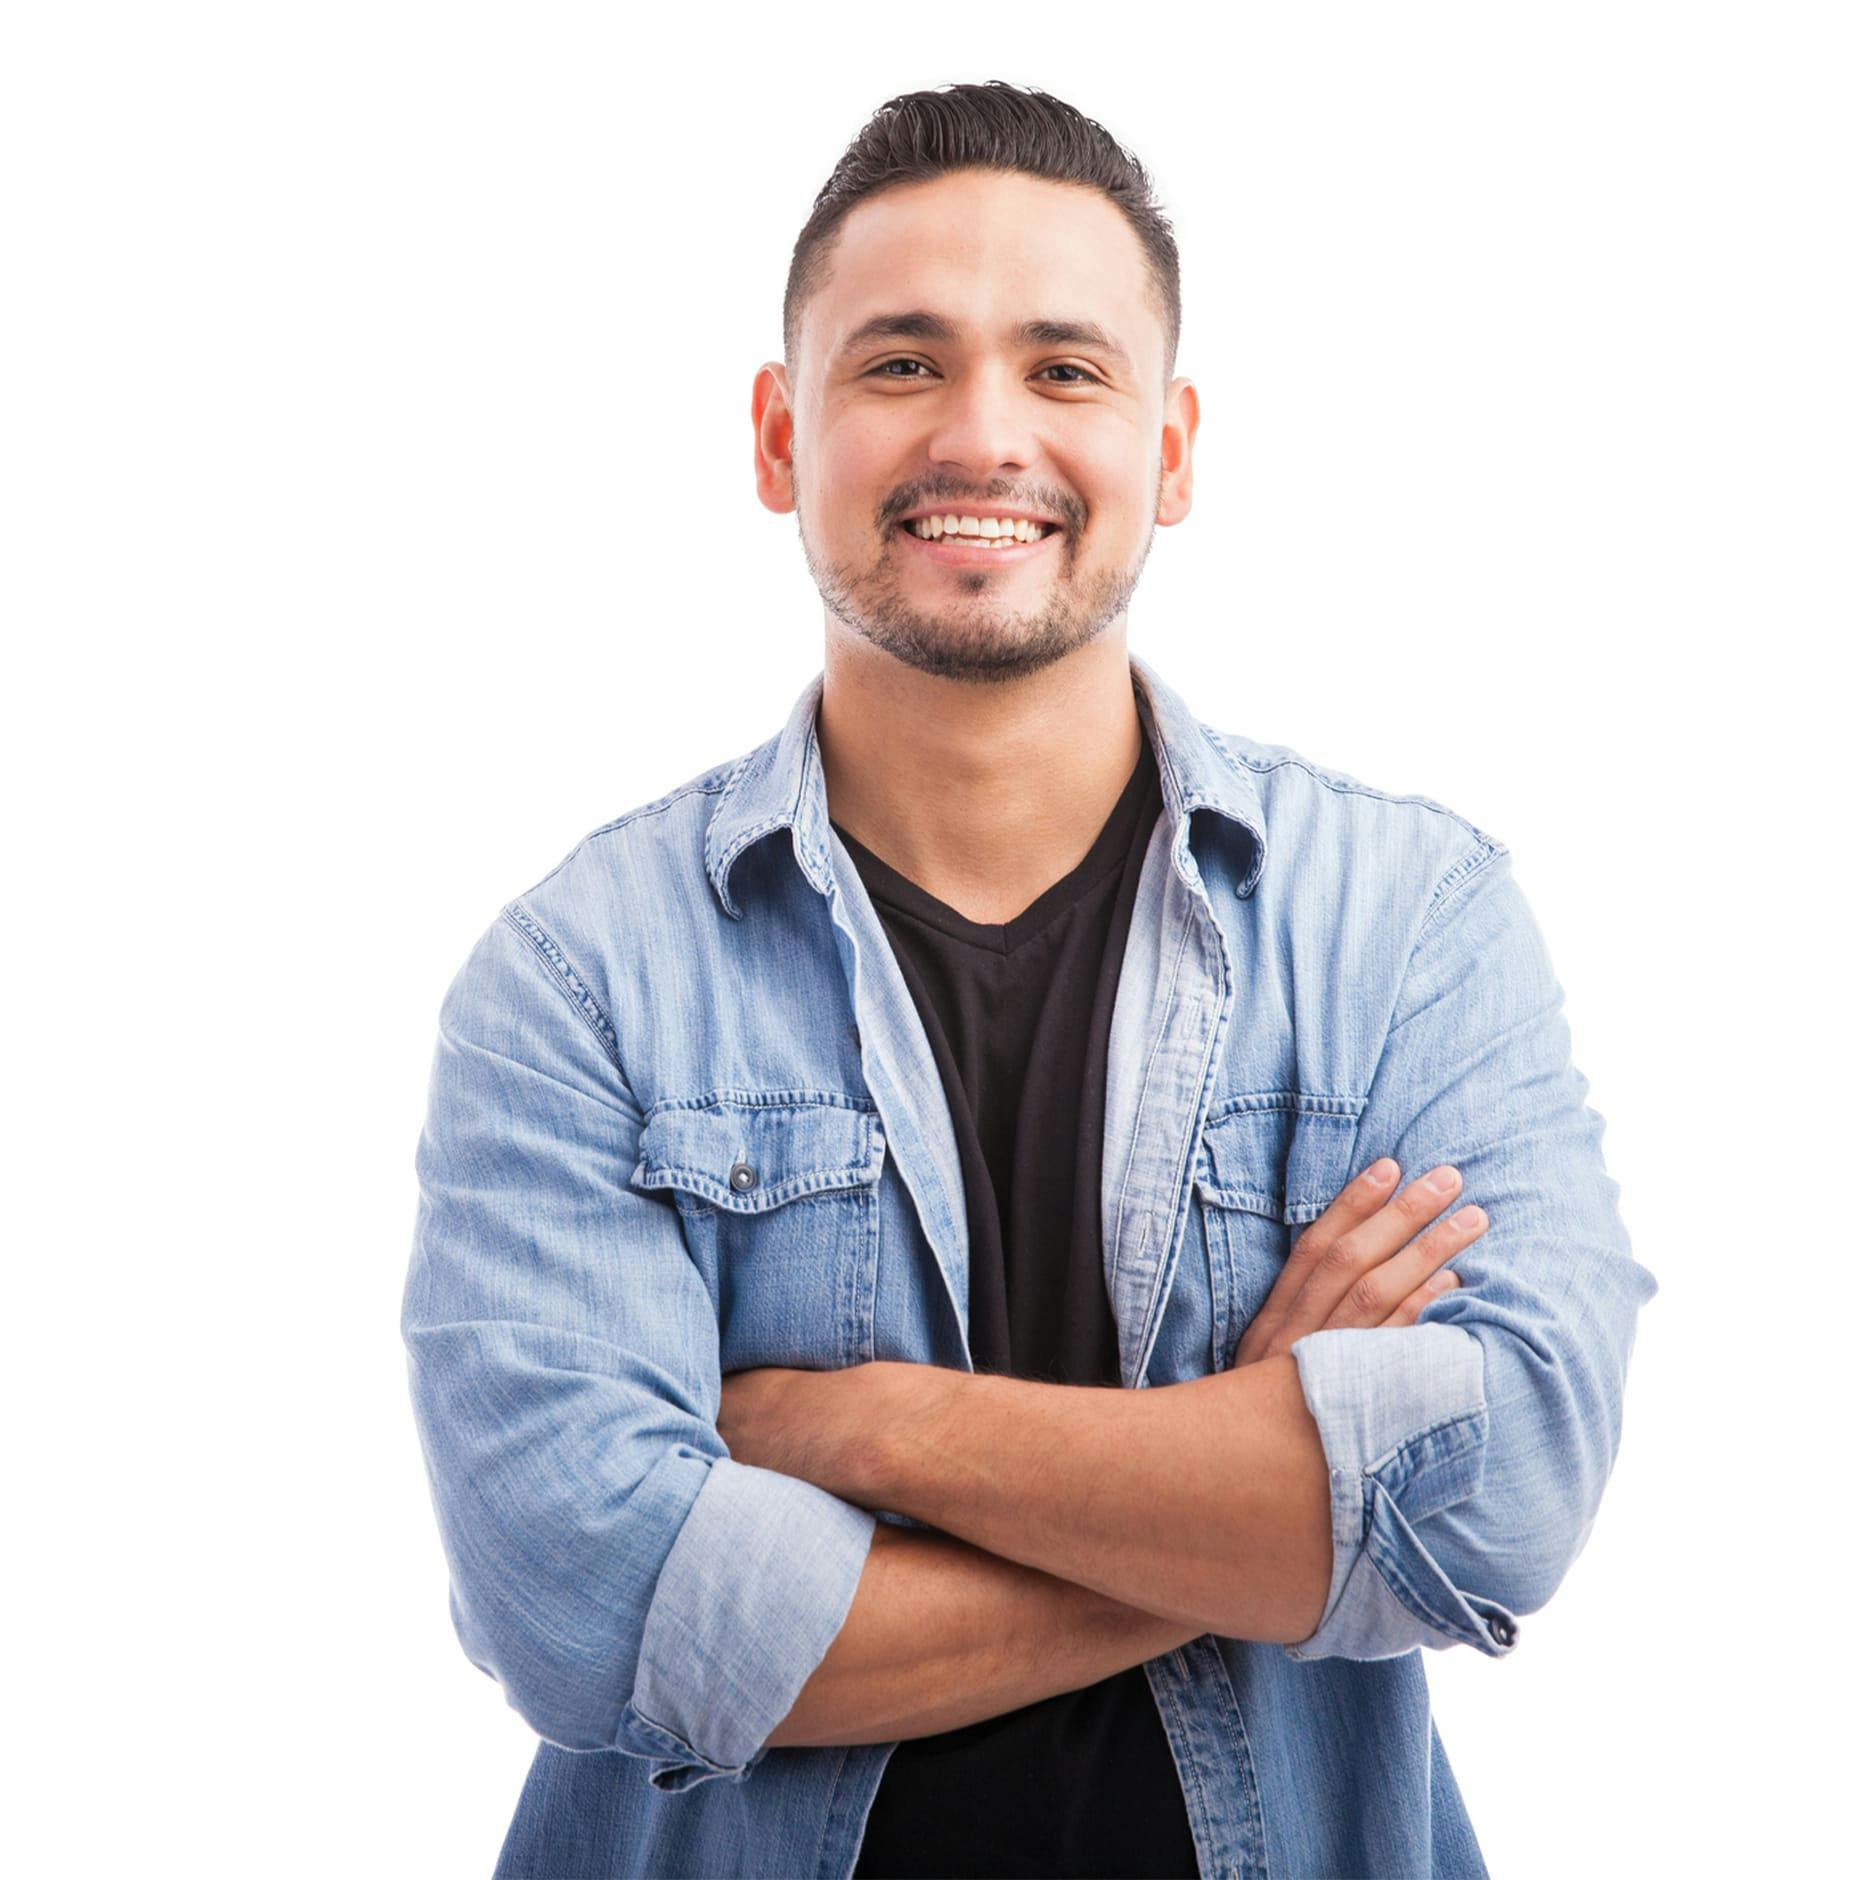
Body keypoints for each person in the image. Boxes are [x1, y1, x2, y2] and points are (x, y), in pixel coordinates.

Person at [401, 79, 1658, 1880]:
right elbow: (594, 1612)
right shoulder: (581, 981)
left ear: (1174, 444)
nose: (984, 433)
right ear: (780, 435)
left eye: (1065, 368)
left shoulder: (1408, 923)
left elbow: (1502, 1496)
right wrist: (1251, 1493)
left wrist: (860, 1427)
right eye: (901, 363)